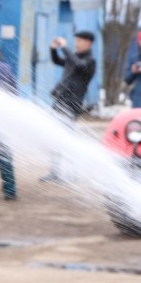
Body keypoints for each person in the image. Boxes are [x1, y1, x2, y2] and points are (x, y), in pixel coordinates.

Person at [41, 31, 96, 183]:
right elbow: (57, 60)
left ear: (88, 42)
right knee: (55, 136)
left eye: (79, 40)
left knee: (67, 138)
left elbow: (78, 65)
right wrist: (53, 49)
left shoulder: (90, 61)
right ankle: (54, 171)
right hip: (60, 99)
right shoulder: (73, 57)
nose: (76, 43)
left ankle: (71, 173)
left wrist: (65, 48)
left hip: (72, 103)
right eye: (76, 40)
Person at [0, 47, 17, 200]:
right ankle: (10, 190)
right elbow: (14, 92)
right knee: (4, 154)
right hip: (2, 119)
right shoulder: (6, 68)